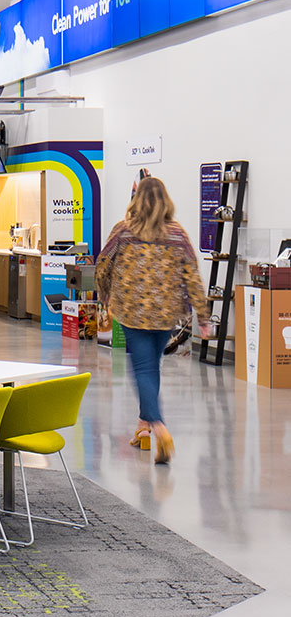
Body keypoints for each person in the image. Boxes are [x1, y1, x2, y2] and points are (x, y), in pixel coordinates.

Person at [95, 176, 210, 465]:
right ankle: (144, 428)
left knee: (143, 370)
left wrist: (104, 293)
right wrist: (204, 318)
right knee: (152, 367)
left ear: (137, 200)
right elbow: (192, 277)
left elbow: (103, 264)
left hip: (132, 312)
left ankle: (157, 426)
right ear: (166, 201)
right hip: (166, 313)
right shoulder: (177, 234)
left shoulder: (123, 231)